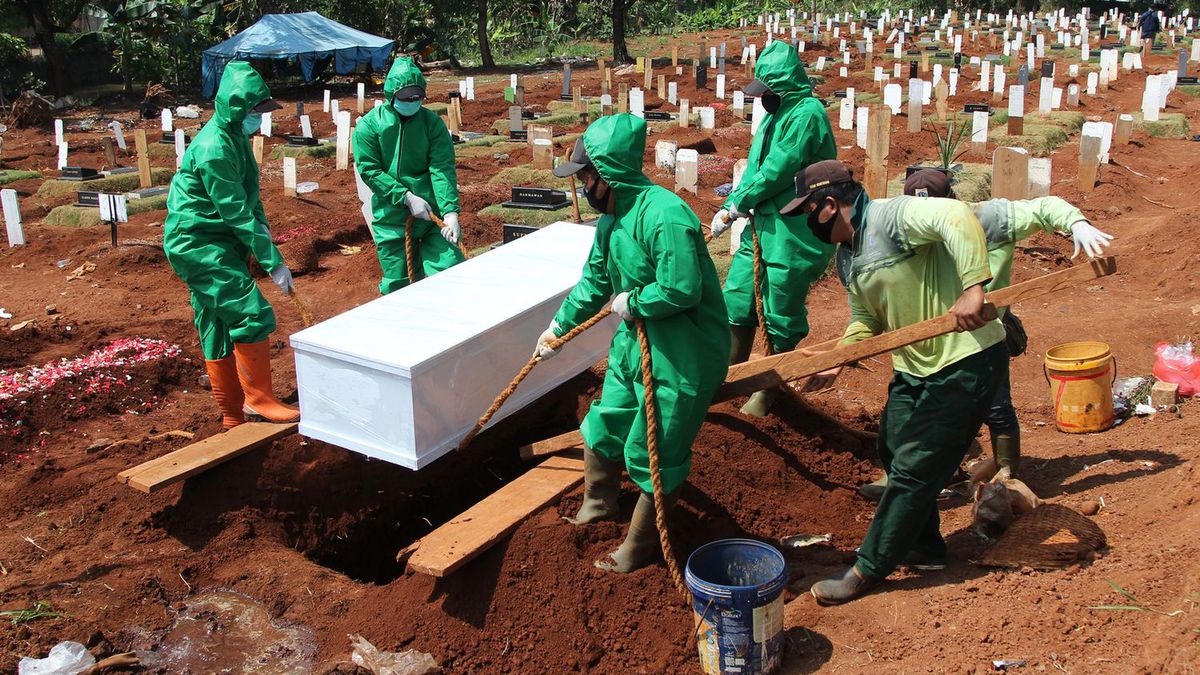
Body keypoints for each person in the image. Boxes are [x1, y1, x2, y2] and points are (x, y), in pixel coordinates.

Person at [783, 160, 1007, 604]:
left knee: (913, 468)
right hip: (917, 365)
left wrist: (973, 286)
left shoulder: (892, 216)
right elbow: (867, 318)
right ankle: (924, 547)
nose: (805, 223)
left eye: (806, 212)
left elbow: (955, 216)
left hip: (967, 357)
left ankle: (869, 567)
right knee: (891, 443)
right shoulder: (848, 257)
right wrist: (839, 357)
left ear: (829, 205)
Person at [538, 114, 730, 573]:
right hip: (636, 343)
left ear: (608, 173)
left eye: (585, 176)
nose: (582, 186)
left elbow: (682, 287)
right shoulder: (610, 221)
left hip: (684, 350)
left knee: (653, 447)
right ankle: (599, 503)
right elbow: (594, 282)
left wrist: (636, 302)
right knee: (604, 423)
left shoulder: (663, 214)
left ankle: (640, 546)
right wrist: (557, 328)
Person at [856, 171, 1114, 498]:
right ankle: (931, 471)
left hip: (980, 333)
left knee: (995, 404)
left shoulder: (985, 219)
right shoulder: (902, 234)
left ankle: (1007, 470)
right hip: (926, 337)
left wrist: (1076, 223)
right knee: (920, 407)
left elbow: (1043, 208)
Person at [163, 61, 299, 429]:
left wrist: (267, 245)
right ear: (237, 109)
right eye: (255, 112)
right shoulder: (214, 149)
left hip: (216, 240)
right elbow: (236, 212)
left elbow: (251, 201)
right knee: (249, 311)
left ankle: (232, 415)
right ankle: (258, 400)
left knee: (216, 322)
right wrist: (272, 262)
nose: (260, 120)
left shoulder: (236, 138)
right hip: (198, 243)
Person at [709, 39, 837, 417]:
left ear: (784, 86)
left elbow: (780, 167)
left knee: (780, 306)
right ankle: (729, 377)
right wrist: (735, 201)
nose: (762, 98)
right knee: (738, 296)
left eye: (768, 91)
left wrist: (737, 203)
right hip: (762, 221)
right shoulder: (773, 118)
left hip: (793, 227)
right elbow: (755, 166)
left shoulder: (807, 113)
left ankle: (769, 389)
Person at [354, 57, 463, 295]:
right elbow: (370, 171)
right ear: (392, 95)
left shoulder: (432, 124)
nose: (412, 102)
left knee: (449, 272)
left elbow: (442, 169)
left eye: (417, 97)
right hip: (392, 217)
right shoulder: (370, 127)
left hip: (434, 212)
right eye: (406, 98)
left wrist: (450, 212)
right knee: (398, 286)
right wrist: (405, 197)